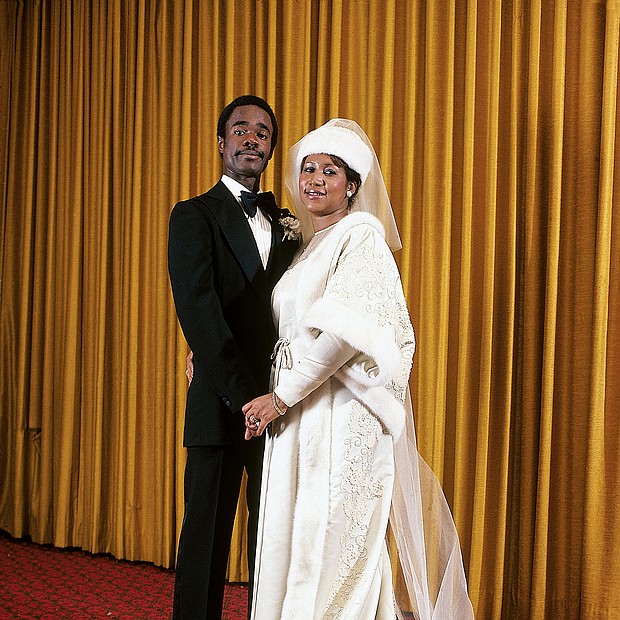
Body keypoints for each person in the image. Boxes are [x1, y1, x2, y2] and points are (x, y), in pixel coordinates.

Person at [241, 119, 474, 619]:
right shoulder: (309, 247)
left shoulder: (361, 238)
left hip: (339, 415)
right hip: (303, 412)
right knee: (298, 534)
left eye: (330, 171)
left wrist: (280, 396)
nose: (315, 179)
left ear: (351, 187)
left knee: (330, 541)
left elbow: (343, 338)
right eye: (308, 168)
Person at [167, 95, 300, 619]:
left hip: (280, 406)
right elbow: (199, 314)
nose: (251, 137)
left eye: (262, 132)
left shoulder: (289, 222)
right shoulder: (193, 215)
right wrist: (247, 397)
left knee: (270, 544)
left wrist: (276, 398)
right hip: (224, 402)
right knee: (204, 544)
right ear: (222, 143)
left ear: (270, 148)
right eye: (240, 129)